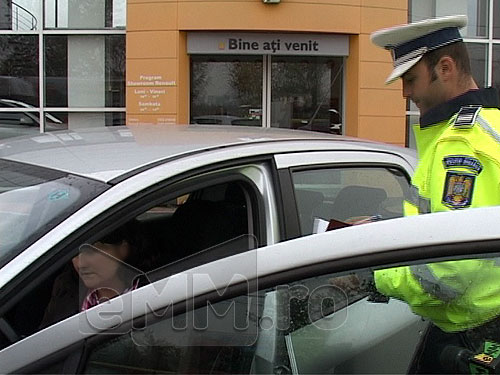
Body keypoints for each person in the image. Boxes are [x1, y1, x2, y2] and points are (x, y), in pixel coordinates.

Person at [368, 15, 500, 373]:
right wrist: (380, 228)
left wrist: (371, 275)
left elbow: (449, 271)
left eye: (410, 79)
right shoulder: (481, 127)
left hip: (477, 331)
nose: (406, 93)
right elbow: (442, 223)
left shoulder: (463, 145)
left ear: (445, 67)